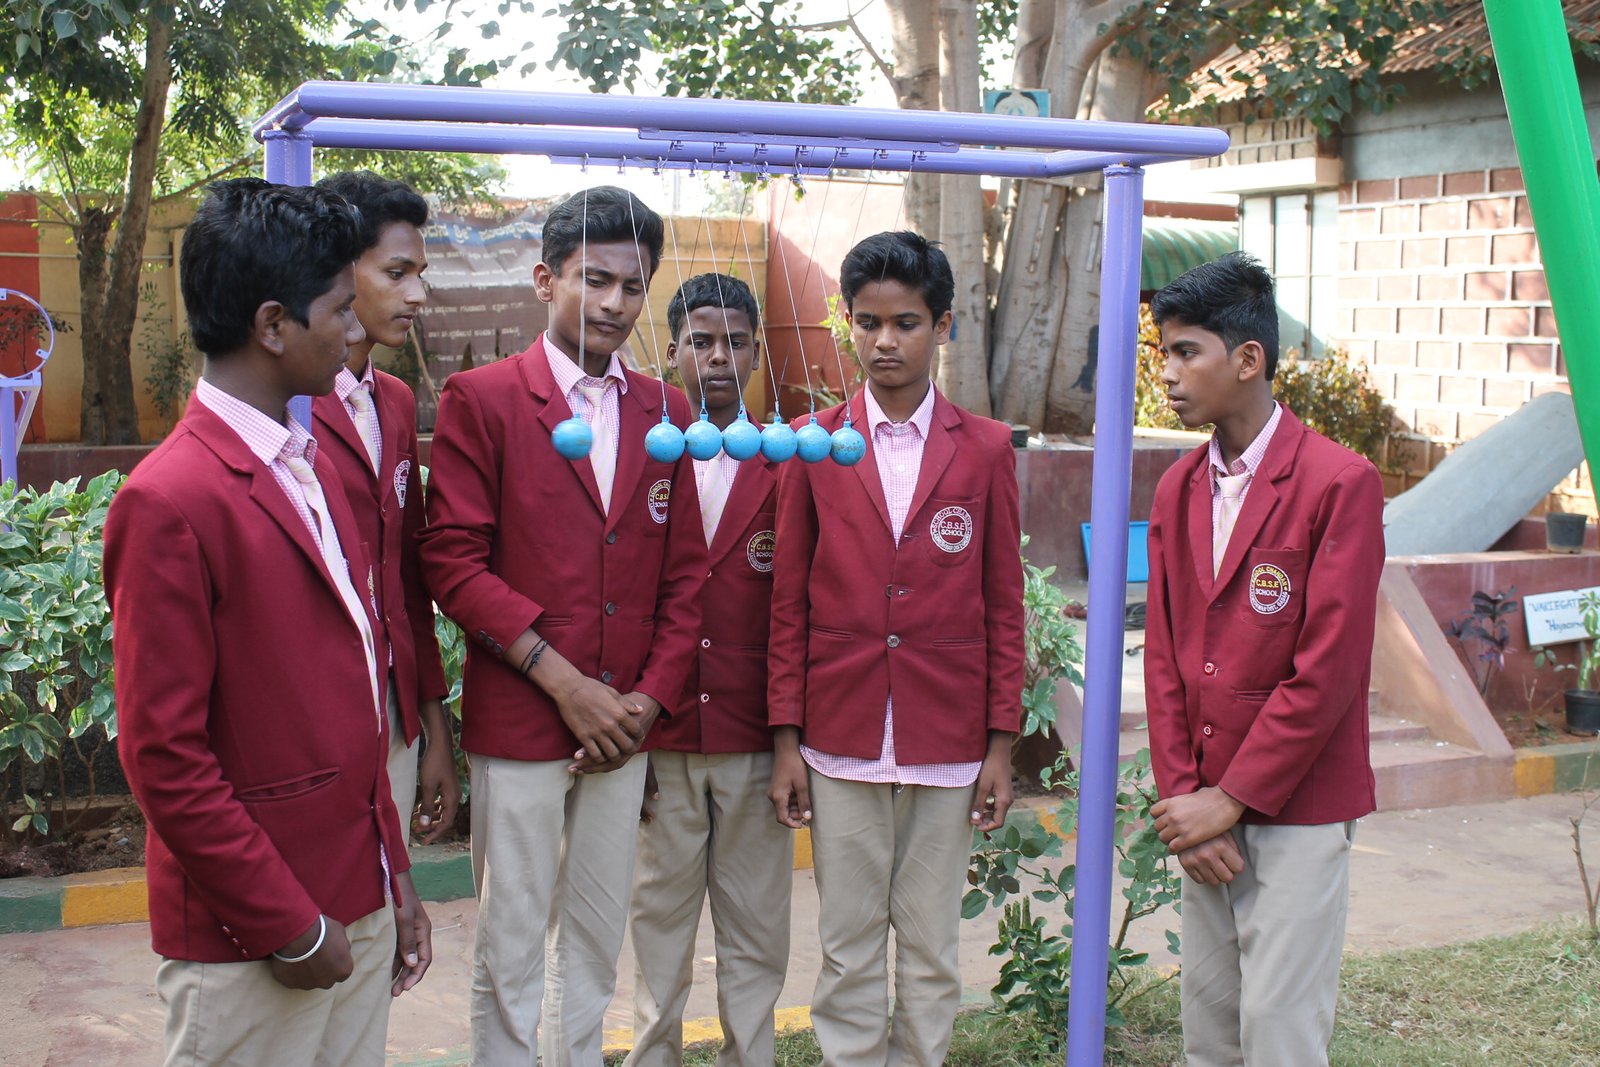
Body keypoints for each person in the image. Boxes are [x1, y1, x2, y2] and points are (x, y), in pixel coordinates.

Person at [104, 178, 430, 1067]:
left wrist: (393, 874)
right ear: (274, 325)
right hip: (256, 938)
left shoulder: (306, 462)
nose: (354, 328)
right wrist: (288, 923)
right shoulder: (169, 500)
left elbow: (357, 690)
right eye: (340, 308)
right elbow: (164, 757)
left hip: (354, 901)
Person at [418, 185, 707, 1066]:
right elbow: (453, 563)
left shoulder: (668, 413)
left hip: (624, 727)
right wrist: (564, 682)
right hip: (522, 719)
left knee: (593, 938)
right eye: (595, 279)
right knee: (510, 941)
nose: (616, 302)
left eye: (634, 285)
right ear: (547, 280)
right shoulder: (483, 398)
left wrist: (647, 703)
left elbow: (685, 578)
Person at [766, 231, 1025, 1066]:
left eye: (906, 323)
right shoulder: (812, 443)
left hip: (948, 735)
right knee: (847, 943)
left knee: (929, 944)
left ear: (942, 326)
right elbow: (788, 602)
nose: (885, 341)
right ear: (848, 323)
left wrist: (1000, 744)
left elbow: (1003, 603)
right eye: (868, 322)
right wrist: (785, 740)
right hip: (839, 732)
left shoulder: (984, 447)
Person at [1143, 251, 1385, 1067]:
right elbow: (1165, 660)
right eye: (1164, 352)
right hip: (1204, 809)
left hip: (1298, 805)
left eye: (1186, 351)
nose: (1167, 372)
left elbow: (1328, 670)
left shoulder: (1338, 483)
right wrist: (1187, 798)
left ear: (1249, 359)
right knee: (1209, 1031)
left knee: (1280, 1032)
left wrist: (1231, 798)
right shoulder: (1177, 488)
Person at [626, 273, 790, 1067]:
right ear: (671, 353)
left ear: (757, 353)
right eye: (700, 341)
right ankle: (652, 1054)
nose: (718, 357)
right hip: (664, 737)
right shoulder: (644, 458)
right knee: (658, 924)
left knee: (756, 927)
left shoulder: (789, 461)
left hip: (754, 736)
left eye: (735, 341)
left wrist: (790, 737)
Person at [311, 170, 457, 845]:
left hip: (394, 715)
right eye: (397, 273)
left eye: (419, 275)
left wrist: (431, 726)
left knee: (386, 898)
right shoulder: (286, 407)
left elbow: (408, 580)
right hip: (314, 720)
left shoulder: (394, 402)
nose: (416, 294)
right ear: (340, 272)